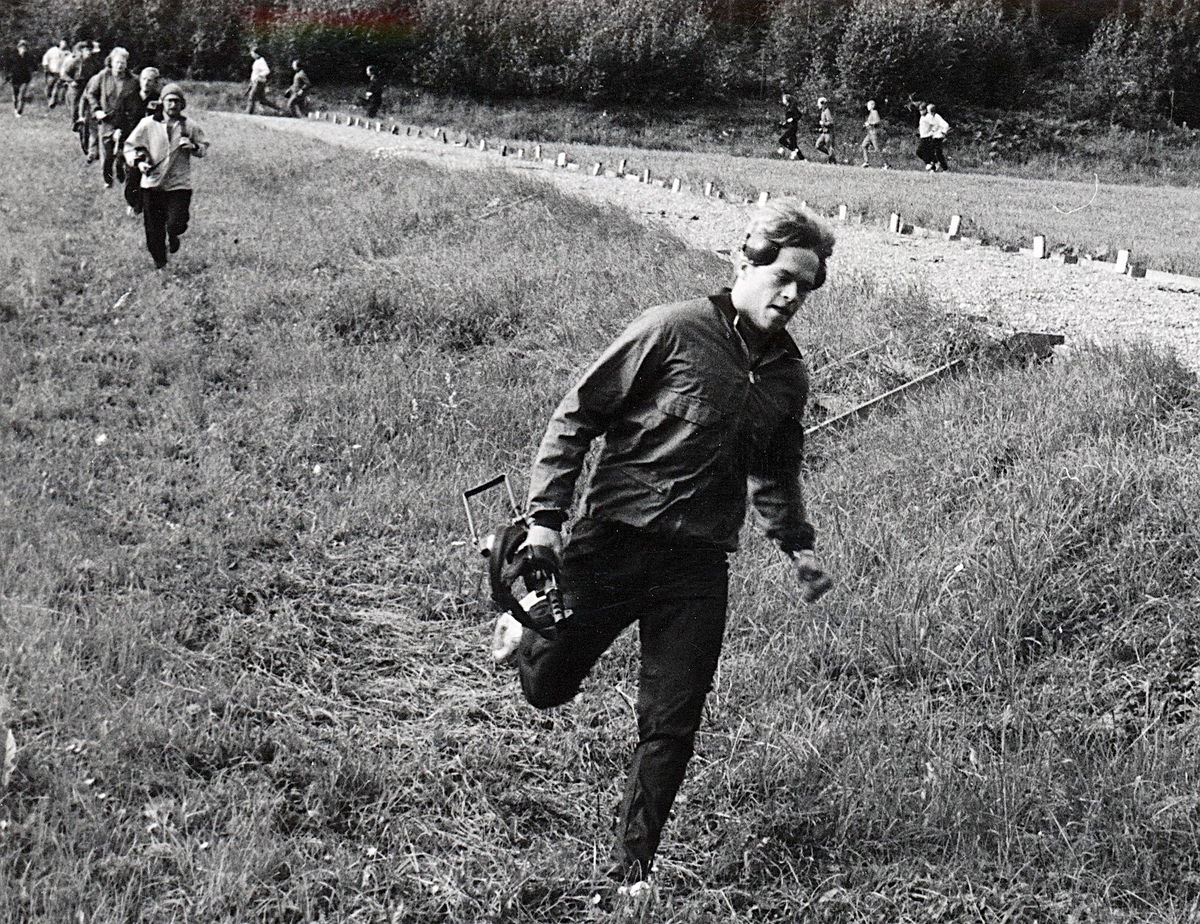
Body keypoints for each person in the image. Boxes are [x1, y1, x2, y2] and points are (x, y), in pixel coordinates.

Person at [492, 198, 836, 905]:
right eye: (787, 277)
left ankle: (633, 871)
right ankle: (525, 621)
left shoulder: (786, 378)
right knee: (546, 688)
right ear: (746, 262)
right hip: (612, 546)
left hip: (698, 567)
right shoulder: (670, 331)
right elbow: (577, 415)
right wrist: (548, 518)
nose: (795, 295)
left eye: (810, 286)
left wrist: (795, 545)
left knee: (672, 719)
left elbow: (774, 469)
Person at [124, 82, 208, 269]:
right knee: (153, 230)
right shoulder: (147, 124)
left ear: (182, 104)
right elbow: (130, 147)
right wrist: (139, 162)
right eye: (169, 101)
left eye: (177, 101)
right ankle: (160, 263)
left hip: (179, 185)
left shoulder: (189, 126)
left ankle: (174, 234)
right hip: (152, 184)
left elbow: (204, 147)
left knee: (176, 222)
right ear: (162, 102)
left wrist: (193, 147)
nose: (173, 105)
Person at [84, 47, 140, 188]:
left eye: (123, 62)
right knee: (108, 152)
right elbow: (90, 93)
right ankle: (107, 179)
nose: (120, 66)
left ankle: (122, 171)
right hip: (107, 120)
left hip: (125, 121)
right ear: (111, 62)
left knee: (122, 150)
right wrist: (96, 110)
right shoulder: (103, 76)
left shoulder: (133, 81)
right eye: (117, 62)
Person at [122, 66, 162, 216]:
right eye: (144, 79)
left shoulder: (159, 101)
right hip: (131, 141)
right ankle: (132, 203)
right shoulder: (129, 97)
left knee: (149, 172)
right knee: (132, 173)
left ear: (155, 83)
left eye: (150, 81)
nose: (146, 83)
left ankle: (144, 204)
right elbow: (121, 118)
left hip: (151, 142)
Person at [5, 39, 36, 117]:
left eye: (25, 47)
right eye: (21, 47)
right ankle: (15, 108)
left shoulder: (29, 57)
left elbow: (34, 67)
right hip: (15, 79)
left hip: (25, 79)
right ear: (18, 48)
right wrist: (8, 76)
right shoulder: (13, 56)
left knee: (22, 95)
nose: (23, 49)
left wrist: (33, 74)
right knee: (15, 95)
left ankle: (19, 111)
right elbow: (8, 67)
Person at [246, 47, 281, 114]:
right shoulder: (257, 61)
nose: (252, 55)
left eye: (252, 54)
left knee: (251, 97)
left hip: (259, 82)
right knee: (262, 100)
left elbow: (267, 71)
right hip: (255, 82)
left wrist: (259, 76)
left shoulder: (261, 61)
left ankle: (248, 113)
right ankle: (278, 108)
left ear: (257, 54)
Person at [860, 99, 887, 168]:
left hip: (873, 133)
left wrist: (869, 124)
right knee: (863, 146)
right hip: (869, 133)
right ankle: (866, 162)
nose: (867, 106)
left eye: (869, 105)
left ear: (872, 106)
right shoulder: (871, 113)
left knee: (877, 149)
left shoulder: (875, 112)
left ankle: (886, 164)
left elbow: (877, 121)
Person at [776, 92, 804, 160]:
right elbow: (788, 120)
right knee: (794, 145)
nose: (782, 101)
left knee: (782, 140)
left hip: (793, 127)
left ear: (787, 100)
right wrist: (783, 124)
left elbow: (799, 115)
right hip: (790, 127)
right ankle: (803, 159)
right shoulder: (787, 108)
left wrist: (793, 119)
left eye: (783, 99)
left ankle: (794, 151)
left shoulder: (792, 108)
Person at [925, 103, 950, 172]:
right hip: (933, 137)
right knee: (932, 151)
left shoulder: (937, 117)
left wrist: (943, 133)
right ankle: (935, 166)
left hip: (938, 137)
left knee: (938, 153)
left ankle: (944, 168)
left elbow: (946, 125)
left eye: (928, 110)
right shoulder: (929, 117)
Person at [41, 39, 67, 106]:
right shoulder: (52, 50)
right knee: (49, 86)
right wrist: (46, 67)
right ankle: (49, 98)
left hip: (60, 73)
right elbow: (45, 58)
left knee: (57, 87)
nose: (64, 44)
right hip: (51, 72)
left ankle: (53, 100)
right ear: (60, 42)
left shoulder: (67, 53)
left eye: (66, 43)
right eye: (63, 42)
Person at [815, 96, 836, 164]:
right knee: (818, 145)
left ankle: (831, 161)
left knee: (829, 147)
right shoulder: (823, 111)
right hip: (824, 133)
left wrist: (823, 123)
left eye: (819, 103)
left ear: (822, 103)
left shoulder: (827, 112)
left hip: (828, 133)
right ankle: (832, 157)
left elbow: (831, 122)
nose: (818, 105)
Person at [916, 102, 935, 170]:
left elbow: (935, 125)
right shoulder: (922, 117)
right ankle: (932, 164)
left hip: (928, 137)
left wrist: (932, 132)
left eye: (922, 110)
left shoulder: (928, 117)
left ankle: (929, 163)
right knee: (926, 152)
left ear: (925, 110)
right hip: (923, 136)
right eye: (920, 110)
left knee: (920, 152)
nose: (921, 111)